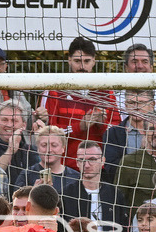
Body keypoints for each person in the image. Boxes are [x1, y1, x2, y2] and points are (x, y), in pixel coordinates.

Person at [36, 37, 119, 169]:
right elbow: (47, 132)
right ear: (69, 60)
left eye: (86, 61)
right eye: (77, 61)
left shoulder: (106, 91)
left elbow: (117, 130)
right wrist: (79, 126)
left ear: (94, 61)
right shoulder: (55, 90)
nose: (82, 67)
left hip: (98, 167)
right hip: (64, 168)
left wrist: (101, 125)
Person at [60, 141, 129, 232]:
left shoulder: (115, 194)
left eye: (92, 159)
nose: (86, 165)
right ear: (76, 163)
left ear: (102, 161)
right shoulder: (66, 194)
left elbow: (123, 231)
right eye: (82, 160)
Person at [114, 44, 156, 129]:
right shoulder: (117, 99)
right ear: (126, 67)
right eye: (134, 62)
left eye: (145, 62)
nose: (140, 66)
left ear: (151, 67)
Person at [0, 100, 39, 186]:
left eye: (14, 121)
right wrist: (10, 151)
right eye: (4, 120)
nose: (9, 125)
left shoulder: (32, 151)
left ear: (24, 125)